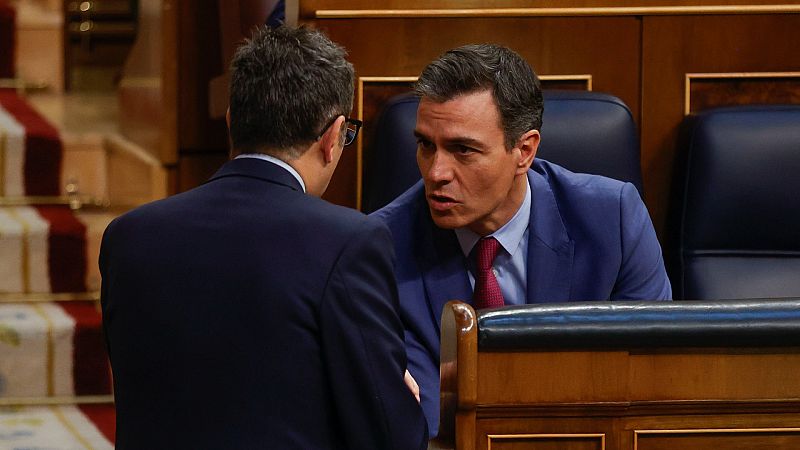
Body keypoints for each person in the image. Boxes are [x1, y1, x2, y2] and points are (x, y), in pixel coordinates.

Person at [100, 25, 427, 449]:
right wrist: (399, 395)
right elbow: (392, 438)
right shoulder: (349, 241)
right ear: (333, 137)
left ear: (232, 121)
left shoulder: (128, 236)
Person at [371, 44, 672, 437]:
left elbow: (650, 383)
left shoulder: (613, 221)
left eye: (462, 149)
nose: (436, 172)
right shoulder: (383, 248)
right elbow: (426, 422)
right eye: (426, 145)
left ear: (524, 151)